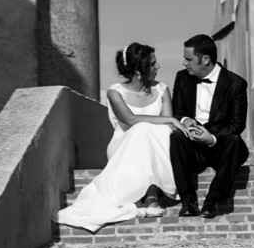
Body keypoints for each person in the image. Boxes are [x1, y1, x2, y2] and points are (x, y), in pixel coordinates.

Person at [56, 43, 186, 233]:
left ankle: (151, 195)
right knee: (142, 128)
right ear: (139, 70)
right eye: (152, 64)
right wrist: (172, 119)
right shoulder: (115, 92)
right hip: (124, 145)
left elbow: (166, 127)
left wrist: (170, 122)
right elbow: (129, 120)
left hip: (156, 144)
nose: (157, 67)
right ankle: (143, 195)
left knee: (155, 130)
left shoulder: (162, 89)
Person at [170, 34, 250, 218]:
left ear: (205, 59)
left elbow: (237, 124)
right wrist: (185, 121)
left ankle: (213, 200)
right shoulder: (182, 78)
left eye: (188, 59)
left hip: (220, 147)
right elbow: (177, 112)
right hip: (192, 146)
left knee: (235, 141)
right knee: (176, 137)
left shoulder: (235, 84)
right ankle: (188, 201)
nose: (184, 63)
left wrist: (211, 138)